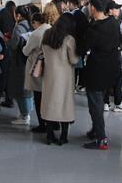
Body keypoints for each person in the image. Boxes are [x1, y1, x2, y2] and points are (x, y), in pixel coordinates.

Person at [82, 0, 122, 150]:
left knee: (95, 104)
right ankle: (95, 131)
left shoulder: (94, 28)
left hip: (97, 69)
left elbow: (84, 47)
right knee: (99, 101)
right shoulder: (113, 22)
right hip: (112, 68)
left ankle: (101, 138)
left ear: (92, 7)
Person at [41, 13, 79, 145]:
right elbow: (73, 59)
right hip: (64, 77)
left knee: (50, 103)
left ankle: (49, 135)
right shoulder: (69, 39)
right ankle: (63, 136)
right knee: (64, 105)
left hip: (49, 75)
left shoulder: (46, 35)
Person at [22, 12, 51, 133]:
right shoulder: (51, 29)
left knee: (38, 97)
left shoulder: (36, 34)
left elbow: (26, 51)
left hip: (37, 67)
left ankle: (42, 124)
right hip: (50, 66)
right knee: (49, 98)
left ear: (35, 23)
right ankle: (53, 123)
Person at [102, 1, 122, 113]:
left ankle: (105, 103)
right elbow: (118, 41)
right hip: (114, 55)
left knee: (106, 79)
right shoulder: (113, 23)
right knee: (117, 79)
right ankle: (118, 103)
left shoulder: (102, 22)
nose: (119, 11)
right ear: (110, 10)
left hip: (105, 56)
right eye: (116, 8)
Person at [8, 5, 34, 125]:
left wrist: (7, 41)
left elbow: (14, 45)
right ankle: (27, 112)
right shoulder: (31, 25)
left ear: (18, 15)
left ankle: (24, 115)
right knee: (28, 88)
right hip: (29, 60)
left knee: (20, 88)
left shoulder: (18, 28)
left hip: (19, 61)